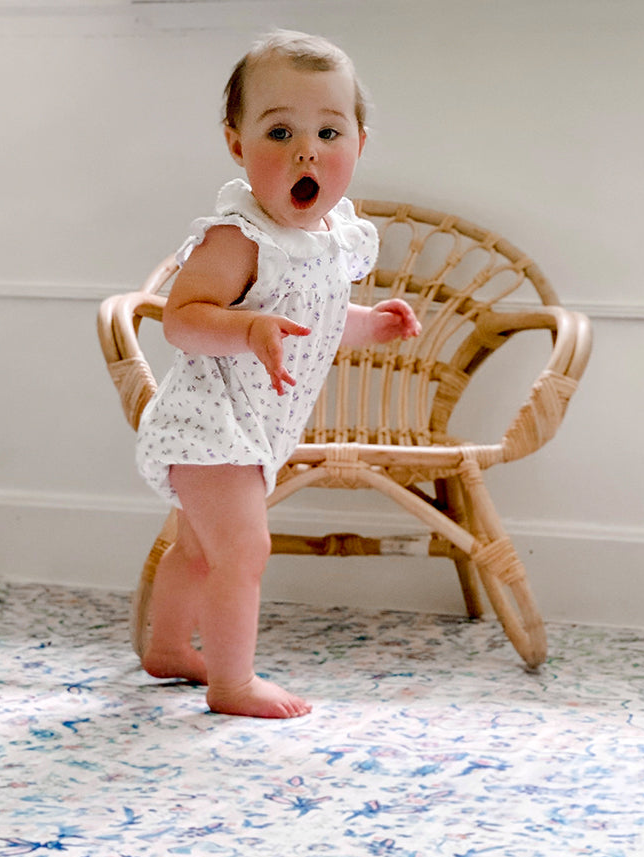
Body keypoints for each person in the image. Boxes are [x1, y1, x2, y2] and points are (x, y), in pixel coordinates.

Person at [134, 30, 421, 718]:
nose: (307, 150)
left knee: (199, 549)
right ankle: (233, 684)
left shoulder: (329, 239)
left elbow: (311, 319)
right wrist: (245, 328)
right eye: (280, 130)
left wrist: (370, 324)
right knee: (244, 548)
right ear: (236, 144)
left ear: (358, 143)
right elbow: (181, 318)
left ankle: (169, 649)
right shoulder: (239, 236)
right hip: (209, 423)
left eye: (329, 131)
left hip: (251, 430)